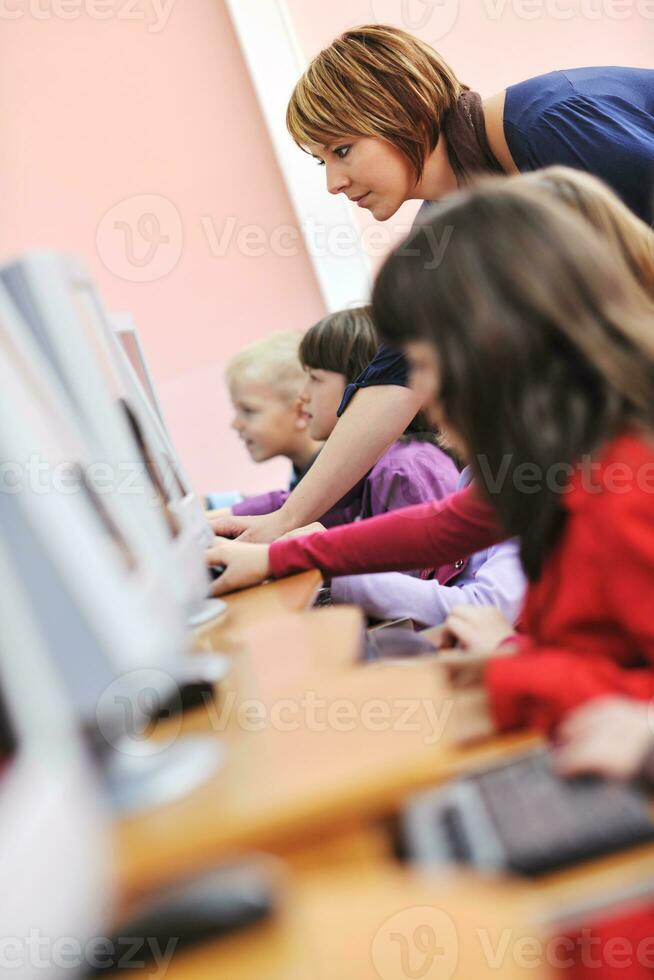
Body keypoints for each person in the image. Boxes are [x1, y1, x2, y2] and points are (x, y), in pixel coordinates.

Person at [207, 183, 654, 736]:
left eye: (422, 364)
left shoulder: (620, 485)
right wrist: (282, 554)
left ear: (497, 351)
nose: (416, 394)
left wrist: (514, 663)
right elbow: (442, 528)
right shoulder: (544, 464)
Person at [214, 25, 654, 544]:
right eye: (321, 161)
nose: (332, 183)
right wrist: (286, 522)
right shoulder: (448, 231)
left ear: (400, 111)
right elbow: (393, 377)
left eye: (343, 149)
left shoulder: (551, 121)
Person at [226, 307, 459, 548]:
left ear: (361, 383)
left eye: (315, 379)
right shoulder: (377, 470)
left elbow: (424, 571)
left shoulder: (404, 467)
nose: (302, 394)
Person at [206, 333, 323, 511]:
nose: (236, 425)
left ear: (301, 413)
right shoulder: (304, 475)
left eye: (248, 410)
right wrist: (210, 504)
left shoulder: (326, 485)